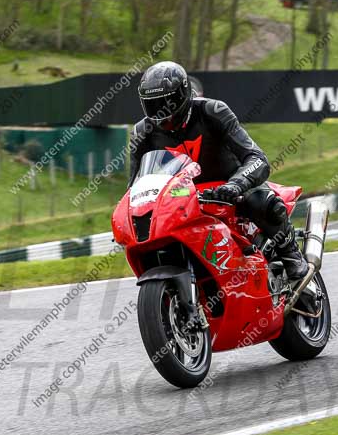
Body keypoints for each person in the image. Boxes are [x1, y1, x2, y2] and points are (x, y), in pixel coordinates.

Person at [127, 61, 308, 280]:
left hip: (231, 189)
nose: (161, 113)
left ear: (184, 94)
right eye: (152, 105)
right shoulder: (142, 132)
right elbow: (135, 186)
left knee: (262, 202)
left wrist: (236, 184)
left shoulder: (212, 111)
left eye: (167, 103)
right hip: (183, 199)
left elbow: (257, 158)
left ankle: (291, 255)